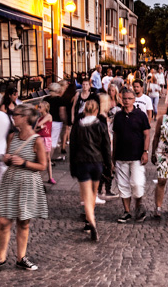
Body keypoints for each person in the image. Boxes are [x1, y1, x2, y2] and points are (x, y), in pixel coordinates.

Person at [0, 104, 48, 273]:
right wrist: (6, 159)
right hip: (11, 181)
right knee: (4, 222)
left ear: (25, 118)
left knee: (23, 222)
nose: (13, 117)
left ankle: (21, 258)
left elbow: (42, 165)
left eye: (16, 114)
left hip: (27, 183)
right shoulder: (12, 136)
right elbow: (7, 158)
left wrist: (25, 163)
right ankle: (0, 258)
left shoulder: (37, 140)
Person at [70, 99, 112, 241]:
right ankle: (90, 219)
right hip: (97, 162)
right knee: (93, 193)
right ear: (96, 111)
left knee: (86, 196)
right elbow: (106, 147)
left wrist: (72, 167)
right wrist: (108, 165)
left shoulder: (77, 126)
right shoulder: (100, 125)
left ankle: (91, 222)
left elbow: (73, 147)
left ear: (84, 110)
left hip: (82, 163)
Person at [113, 88, 150, 223]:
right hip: (121, 155)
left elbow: (147, 134)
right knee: (123, 185)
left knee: (137, 183)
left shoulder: (141, 115)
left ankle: (139, 205)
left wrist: (145, 151)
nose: (126, 101)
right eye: (124, 98)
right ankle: (127, 211)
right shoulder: (118, 116)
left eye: (129, 98)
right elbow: (115, 137)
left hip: (137, 156)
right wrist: (113, 156)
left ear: (134, 100)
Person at [43, 83, 67, 164]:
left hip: (46, 122)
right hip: (57, 122)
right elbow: (62, 113)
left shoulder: (45, 99)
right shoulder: (61, 100)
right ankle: (48, 160)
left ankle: (43, 158)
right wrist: (65, 121)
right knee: (53, 141)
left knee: (45, 140)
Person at [34, 101, 54, 184]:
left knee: (47, 158)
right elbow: (35, 129)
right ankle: (38, 177)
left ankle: (50, 177)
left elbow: (39, 125)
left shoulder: (48, 116)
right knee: (39, 158)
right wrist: (40, 127)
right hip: (40, 138)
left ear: (45, 108)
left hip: (46, 138)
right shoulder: (39, 118)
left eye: (40, 107)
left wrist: (40, 126)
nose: (38, 108)